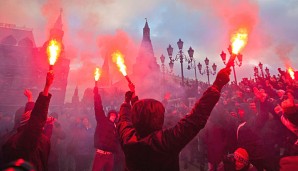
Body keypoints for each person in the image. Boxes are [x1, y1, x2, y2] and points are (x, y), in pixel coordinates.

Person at [117, 67, 231, 170]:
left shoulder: (128, 138)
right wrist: (217, 84)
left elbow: (124, 119)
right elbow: (195, 118)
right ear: (159, 118)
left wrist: (128, 101)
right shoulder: (166, 142)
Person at [1, 71, 54, 171]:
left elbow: (37, 129)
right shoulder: (23, 141)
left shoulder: (17, 137)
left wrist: (30, 99)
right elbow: (36, 120)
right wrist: (46, 88)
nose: (43, 121)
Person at [91, 85, 121, 171]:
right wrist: (96, 95)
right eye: (111, 115)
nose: (113, 116)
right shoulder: (103, 121)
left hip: (110, 155)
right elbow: (98, 108)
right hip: (100, 154)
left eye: (114, 115)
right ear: (108, 115)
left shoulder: (116, 127)